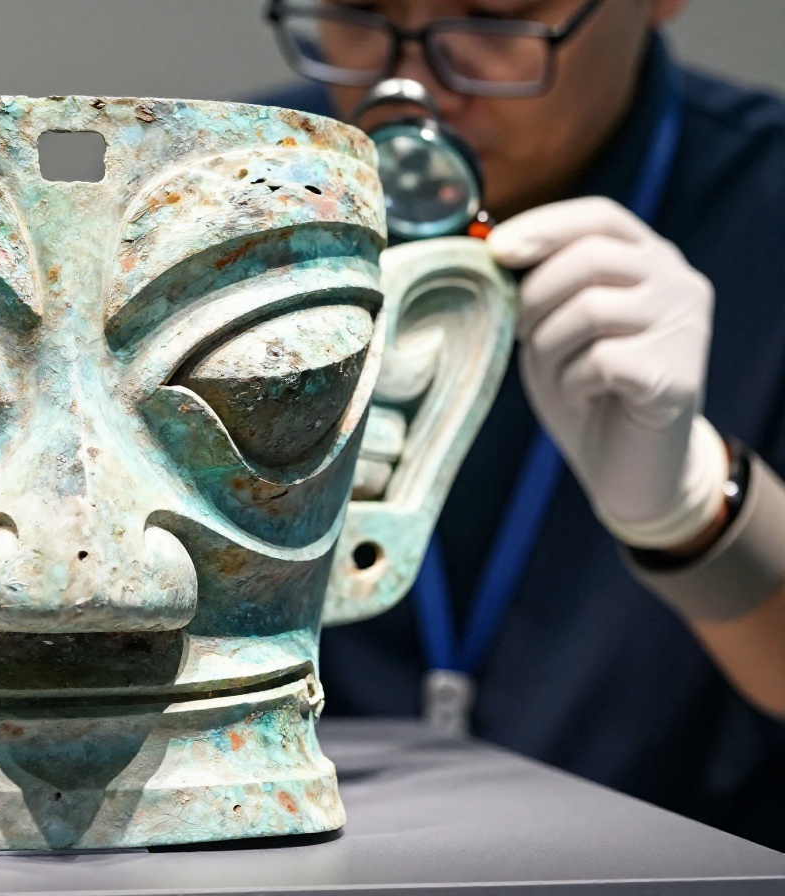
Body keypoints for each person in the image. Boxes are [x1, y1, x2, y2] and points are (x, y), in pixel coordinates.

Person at [257, 0, 785, 849]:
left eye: (495, 16)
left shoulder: (766, 206)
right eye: (356, 12)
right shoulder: (243, 184)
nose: (409, 83)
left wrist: (699, 519)